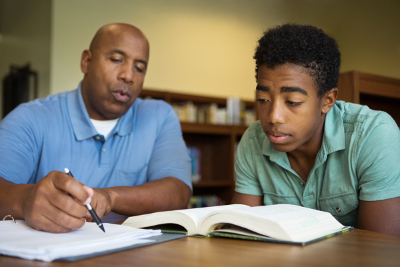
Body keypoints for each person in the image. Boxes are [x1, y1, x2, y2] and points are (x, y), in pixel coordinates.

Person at [0, 23, 192, 233]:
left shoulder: (159, 117)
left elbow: (178, 193)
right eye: (117, 60)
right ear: (86, 61)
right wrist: (25, 199)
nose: (129, 75)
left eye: (139, 68)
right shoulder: (30, 118)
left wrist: (110, 198)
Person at [232, 23, 400, 237]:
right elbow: (243, 237)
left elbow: (380, 249)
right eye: (263, 99)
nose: (273, 116)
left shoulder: (373, 134)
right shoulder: (254, 140)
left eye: (292, 101)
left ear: (327, 101)